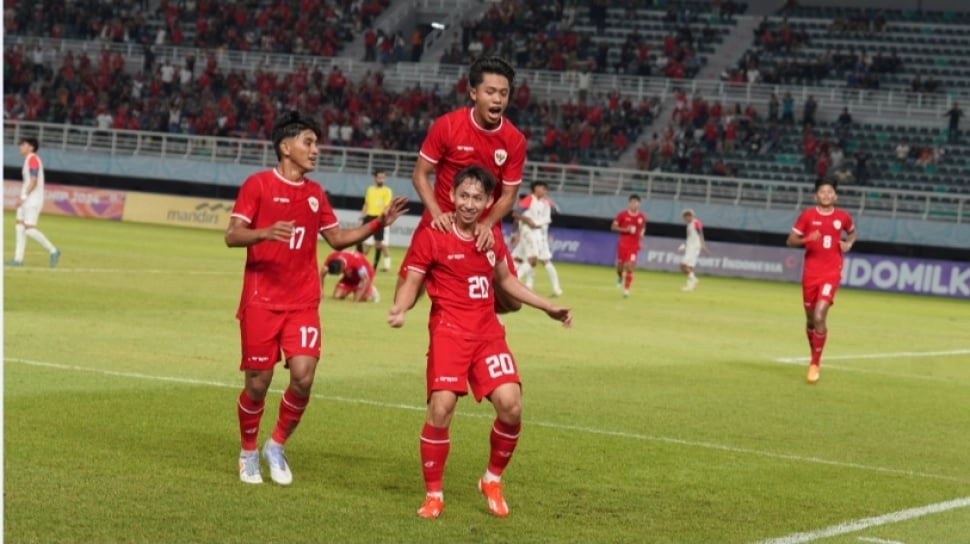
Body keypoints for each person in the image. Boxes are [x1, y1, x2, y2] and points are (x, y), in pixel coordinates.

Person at [225, 111, 407, 486]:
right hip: (261, 299)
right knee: (257, 384)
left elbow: (337, 239)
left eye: (315, 143)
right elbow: (232, 235)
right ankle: (247, 451)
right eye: (308, 142)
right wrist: (263, 233)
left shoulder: (314, 193)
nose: (315, 149)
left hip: (303, 302)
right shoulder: (257, 185)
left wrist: (378, 224)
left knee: (304, 378)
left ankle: (275, 445)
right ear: (285, 146)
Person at [387, 165, 572, 519]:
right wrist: (401, 307)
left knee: (511, 405)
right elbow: (412, 279)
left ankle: (491, 479)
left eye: (477, 198)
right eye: (464, 196)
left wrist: (547, 306)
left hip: (487, 333)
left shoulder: (491, 238)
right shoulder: (432, 235)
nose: (470, 203)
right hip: (448, 333)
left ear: (488, 202)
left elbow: (506, 282)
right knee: (441, 408)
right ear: (452, 197)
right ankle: (434, 495)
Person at [407, 55, 527, 313]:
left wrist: (486, 224)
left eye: (504, 94)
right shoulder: (448, 126)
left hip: (484, 223)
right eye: (491, 92)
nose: (498, 100)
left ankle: (466, 306)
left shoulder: (514, 140)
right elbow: (420, 174)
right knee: (405, 297)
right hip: (440, 219)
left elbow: (508, 195)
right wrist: (437, 214)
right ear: (474, 93)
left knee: (512, 303)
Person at [786, 179, 856, 385]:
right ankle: (813, 353)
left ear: (836, 196)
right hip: (810, 274)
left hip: (831, 273)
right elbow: (790, 241)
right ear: (815, 196)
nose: (826, 195)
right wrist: (807, 239)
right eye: (822, 192)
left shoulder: (842, 217)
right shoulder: (807, 215)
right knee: (810, 320)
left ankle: (815, 364)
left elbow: (852, 232)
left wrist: (848, 243)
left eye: (830, 192)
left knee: (819, 315)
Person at [7, 137, 60, 268]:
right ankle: (18, 259)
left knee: (29, 230)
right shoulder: (28, 160)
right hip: (26, 198)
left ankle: (53, 250)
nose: (20, 147)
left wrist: (23, 196)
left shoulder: (33, 159)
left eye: (23, 144)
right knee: (19, 226)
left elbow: (34, 180)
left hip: (33, 199)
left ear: (31, 147)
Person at [511, 181, 563, 296]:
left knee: (519, 259)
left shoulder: (546, 202)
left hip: (539, 234)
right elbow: (515, 214)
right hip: (528, 232)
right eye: (541, 187)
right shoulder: (529, 199)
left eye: (545, 188)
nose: (543, 190)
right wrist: (528, 221)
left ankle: (529, 284)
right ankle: (516, 283)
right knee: (533, 259)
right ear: (534, 189)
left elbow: (557, 211)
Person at [611, 194, 647, 298]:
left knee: (629, 266)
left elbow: (643, 227)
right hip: (622, 245)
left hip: (634, 246)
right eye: (632, 202)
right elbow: (613, 227)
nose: (634, 204)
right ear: (629, 203)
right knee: (620, 267)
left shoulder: (642, 217)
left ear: (639, 204)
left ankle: (626, 290)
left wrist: (641, 235)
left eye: (636, 202)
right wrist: (625, 230)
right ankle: (620, 277)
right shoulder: (622, 215)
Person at [357, 169, 393, 271]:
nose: (381, 179)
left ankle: (374, 267)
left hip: (379, 217)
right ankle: (360, 262)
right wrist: (361, 216)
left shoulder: (387, 191)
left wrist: (384, 218)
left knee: (379, 243)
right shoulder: (370, 189)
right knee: (358, 239)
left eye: (383, 178)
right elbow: (366, 204)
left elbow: (387, 206)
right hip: (368, 216)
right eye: (379, 177)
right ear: (375, 178)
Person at [677, 208, 710, 291]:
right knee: (690, 267)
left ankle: (694, 279)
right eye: (684, 217)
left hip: (694, 247)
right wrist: (684, 245)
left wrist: (703, 245)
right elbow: (689, 237)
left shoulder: (696, 223)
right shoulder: (689, 225)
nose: (685, 219)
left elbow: (700, 234)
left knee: (682, 265)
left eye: (687, 216)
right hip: (690, 247)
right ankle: (690, 286)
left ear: (690, 216)